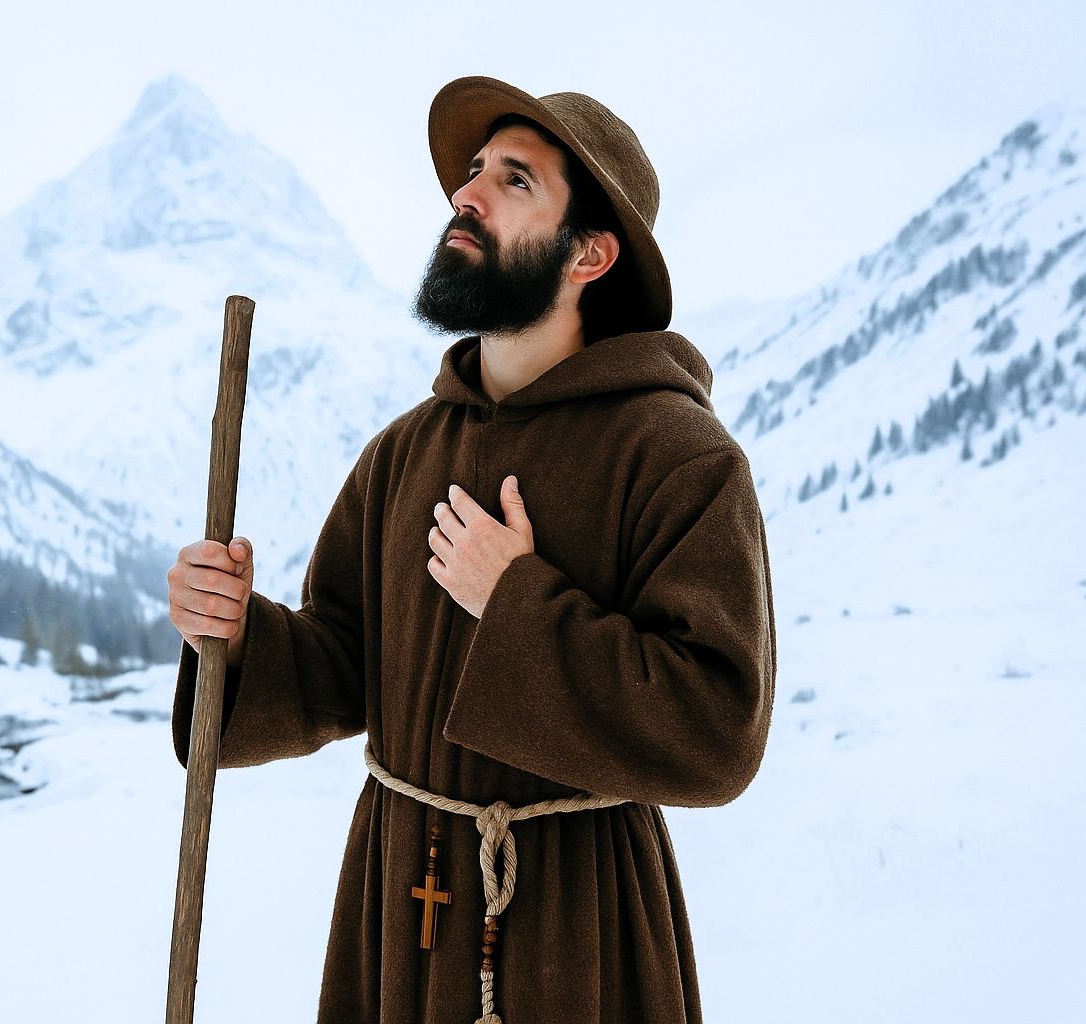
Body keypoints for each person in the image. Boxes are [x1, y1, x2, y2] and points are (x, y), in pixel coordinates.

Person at [167, 74, 777, 1024]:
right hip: (397, 913)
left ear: (590, 252)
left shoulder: (677, 457)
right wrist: (235, 636)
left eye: (515, 180)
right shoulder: (405, 452)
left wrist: (519, 603)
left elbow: (716, 731)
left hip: (579, 937)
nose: (468, 193)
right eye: (473, 171)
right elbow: (341, 662)